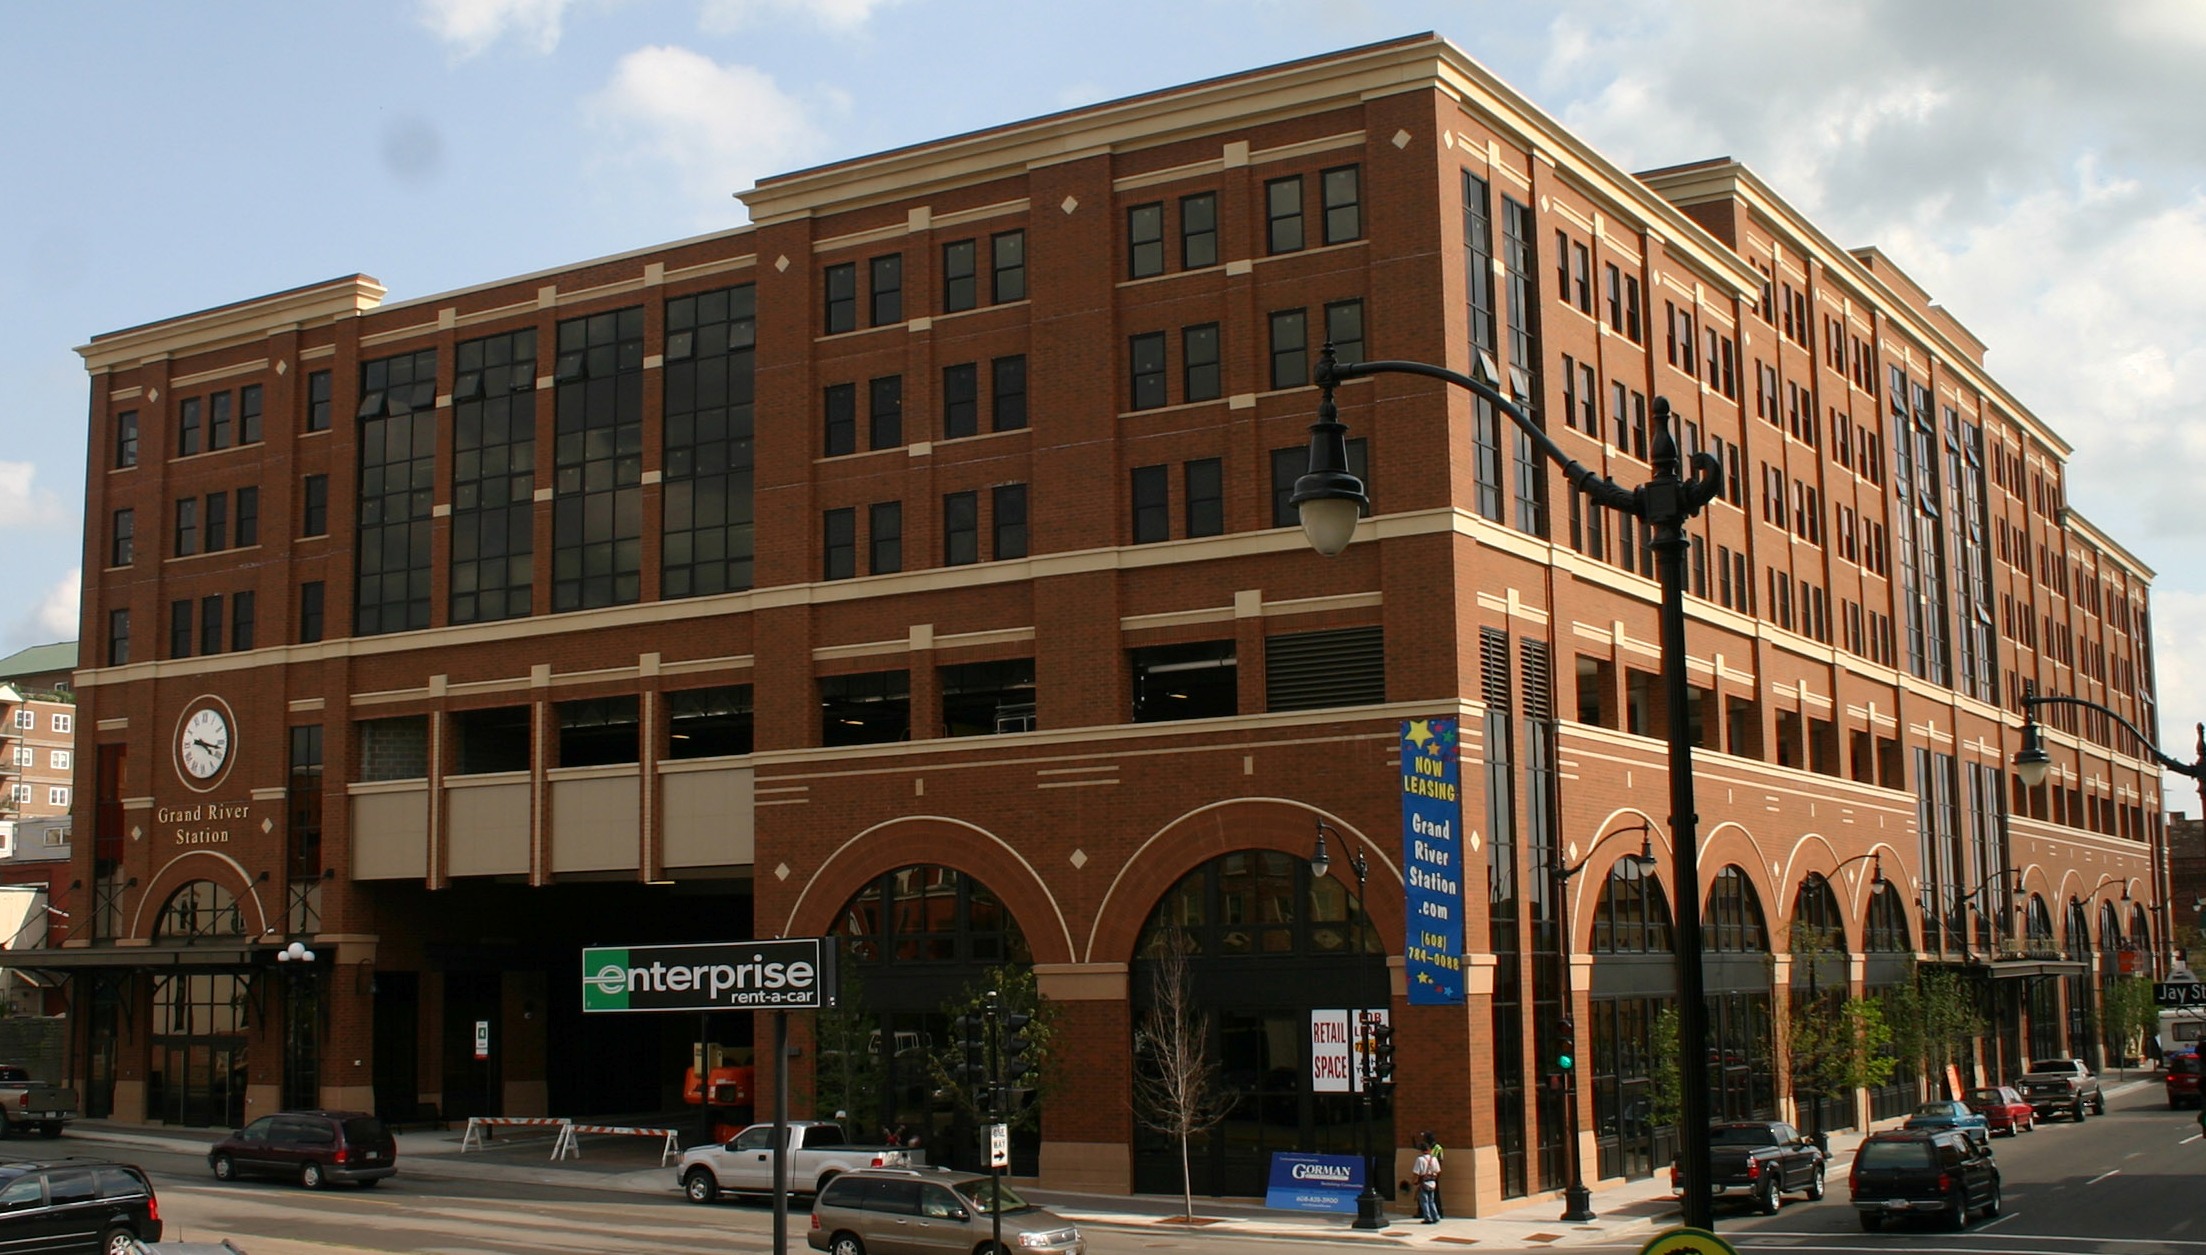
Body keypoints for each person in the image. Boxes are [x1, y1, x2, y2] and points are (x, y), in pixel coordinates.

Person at [1412, 1139, 1442, 1223]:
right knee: (1432, 1201)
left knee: (1424, 1201)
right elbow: (1438, 1171)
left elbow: (1416, 1172)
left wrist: (1414, 1181)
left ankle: (1428, 1218)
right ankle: (1435, 1216)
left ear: (1421, 1150)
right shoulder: (1434, 1159)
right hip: (1432, 1181)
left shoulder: (1420, 1159)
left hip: (1423, 1182)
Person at [1421, 1131, 1447, 1219]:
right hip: (1428, 1173)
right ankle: (1425, 1212)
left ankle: (1438, 1212)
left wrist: (1437, 1174)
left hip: (1433, 1174)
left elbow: (1440, 1160)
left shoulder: (1437, 1148)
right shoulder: (1428, 1147)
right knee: (1426, 1195)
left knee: (1434, 1195)